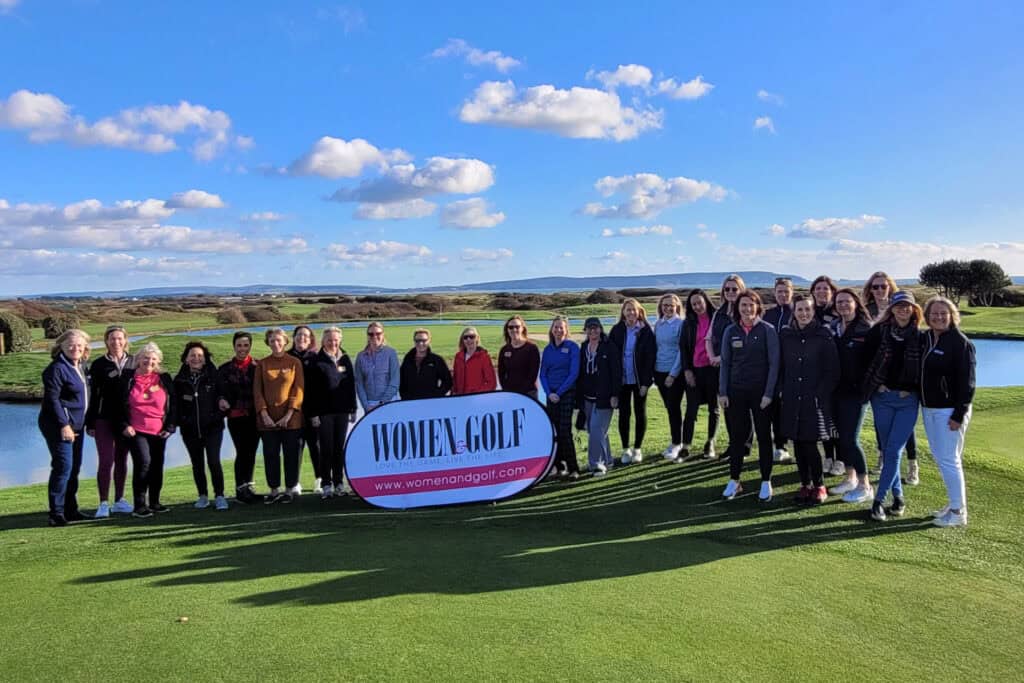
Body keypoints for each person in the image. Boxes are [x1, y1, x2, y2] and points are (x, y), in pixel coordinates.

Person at [862, 291, 923, 521]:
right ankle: (898, 498)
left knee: (894, 450)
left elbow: (924, 369)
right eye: (899, 306)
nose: (903, 310)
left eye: (907, 306)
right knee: (888, 451)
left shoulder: (920, 336)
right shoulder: (879, 332)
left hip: (908, 401)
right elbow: (865, 360)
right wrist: (876, 386)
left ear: (914, 310)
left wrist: (912, 387)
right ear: (892, 309)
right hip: (883, 399)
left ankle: (878, 501)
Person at [718, 291, 780, 502]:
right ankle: (735, 480)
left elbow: (774, 365)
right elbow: (725, 363)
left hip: (761, 394)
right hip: (736, 392)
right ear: (738, 308)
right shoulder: (730, 331)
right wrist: (723, 392)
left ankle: (766, 481)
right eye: (743, 305)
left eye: (750, 305)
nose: (746, 309)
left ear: (757, 306)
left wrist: (768, 393)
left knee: (763, 436)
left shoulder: (767, 330)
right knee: (737, 437)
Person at [920, 297, 976, 528]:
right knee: (943, 458)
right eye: (934, 314)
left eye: (944, 313)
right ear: (927, 316)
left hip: (949, 410)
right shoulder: (926, 339)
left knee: (949, 459)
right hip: (929, 408)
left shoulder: (960, 343)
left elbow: (968, 383)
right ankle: (953, 503)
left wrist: (958, 414)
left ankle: (957, 512)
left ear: (952, 315)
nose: (939, 317)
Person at [779, 295, 840, 505]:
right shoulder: (786, 335)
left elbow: (832, 370)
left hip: (813, 399)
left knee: (810, 443)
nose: (804, 313)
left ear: (813, 312)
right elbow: (781, 366)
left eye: (807, 309)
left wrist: (820, 393)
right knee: (797, 441)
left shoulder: (823, 335)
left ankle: (819, 485)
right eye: (799, 310)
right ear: (793, 312)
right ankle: (805, 484)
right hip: (791, 396)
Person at [39, 329, 91, 526]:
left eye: (79, 345)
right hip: (58, 425)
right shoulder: (57, 368)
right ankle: (56, 513)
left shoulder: (80, 366)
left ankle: (71, 509)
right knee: (63, 467)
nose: (75, 348)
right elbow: (52, 400)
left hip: (77, 424)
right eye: (70, 344)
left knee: (74, 467)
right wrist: (64, 425)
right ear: (61, 346)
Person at [828, 288, 875, 503]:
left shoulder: (866, 329)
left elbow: (876, 363)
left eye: (847, 301)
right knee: (840, 437)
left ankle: (865, 485)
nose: (843, 305)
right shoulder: (834, 327)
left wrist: (870, 387)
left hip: (856, 393)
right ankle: (850, 477)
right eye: (839, 302)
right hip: (836, 391)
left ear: (856, 303)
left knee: (851, 439)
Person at [120, 342, 176, 518]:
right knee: (143, 463)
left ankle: (155, 502)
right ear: (138, 359)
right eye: (145, 357)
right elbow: (117, 405)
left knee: (157, 465)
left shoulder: (164, 378)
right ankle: (139, 505)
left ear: (157, 361)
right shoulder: (127, 378)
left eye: (153, 359)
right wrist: (124, 425)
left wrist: (170, 427)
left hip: (159, 431)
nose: (149, 361)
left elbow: (174, 405)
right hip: (136, 430)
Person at [85, 325, 134, 518]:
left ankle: (119, 500)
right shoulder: (99, 365)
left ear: (125, 340)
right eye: (112, 339)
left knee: (122, 459)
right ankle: (103, 502)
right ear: (106, 341)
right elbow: (93, 396)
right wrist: (90, 422)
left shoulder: (134, 362)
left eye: (120, 338)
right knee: (106, 460)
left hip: (126, 422)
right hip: (103, 419)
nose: (116, 342)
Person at [174, 341, 228, 511]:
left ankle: (219, 496)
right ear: (186, 359)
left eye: (200, 356)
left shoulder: (214, 376)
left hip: (213, 428)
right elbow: (175, 406)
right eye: (192, 355)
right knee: (197, 464)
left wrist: (216, 415)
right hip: (190, 430)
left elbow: (224, 398)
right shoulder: (179, 380)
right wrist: (183, 420)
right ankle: (203, 496)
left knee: (213, 461)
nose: (196, 358)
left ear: (205, 359)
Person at [305, 327, 357, 499]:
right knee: (326, 449)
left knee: (339, 449)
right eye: (329, 340)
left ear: (340, 340)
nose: (333, 343)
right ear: (323, 341)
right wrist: (313, 415)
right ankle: (326, 484)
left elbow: (350, 386)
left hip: (342, 411)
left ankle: (339, 483)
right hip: (323, 412)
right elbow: (310, 391)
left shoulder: (345, 358)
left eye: (335, 340)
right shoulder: (316, 361)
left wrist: (353, 408)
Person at [254, 327, 305, 504]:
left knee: (291, 455)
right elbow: (257, 391)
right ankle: (274, 489)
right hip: (267, 420)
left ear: (285, 341)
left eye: (278, 340)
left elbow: (298, 390)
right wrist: (264, 414)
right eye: (272, 340)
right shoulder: (262, 364)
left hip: (291, 420)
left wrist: (289, 414)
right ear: (268, 343)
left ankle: (289, 489)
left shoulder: (294, 362)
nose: (275, 343)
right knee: (270, 454)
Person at [609, 298, 656, 464]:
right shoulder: (616, 330)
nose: (630, 313)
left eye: (633, 310)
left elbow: (650, 358)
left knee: (640, 412)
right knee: (624, 414)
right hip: (622, 380)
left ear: (639, 311)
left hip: (638, 380)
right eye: (627, 310)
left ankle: (637, 448)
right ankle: (625, 449)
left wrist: (646, 382)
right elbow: (612, 358)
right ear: (623, 312)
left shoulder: (646, 330)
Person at [218, 331, 263, 504]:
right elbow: (220, 392)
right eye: (239, 345)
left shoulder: (257, 366)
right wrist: (221, 399)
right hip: (236, 417)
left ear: (250, 346)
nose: (242, 348)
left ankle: (248, 487)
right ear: (234, 346)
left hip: (254, 416)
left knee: (251, 452)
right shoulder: (224, 369)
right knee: (242, 451)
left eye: (245, 345)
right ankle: (240, 489)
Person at [575, 317, 621, 476]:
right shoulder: (583, 347)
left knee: (596, 429)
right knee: (598, 431)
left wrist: (615, 394)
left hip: (605, 397)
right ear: (586, 330)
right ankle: (608, 460)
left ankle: (596, 464)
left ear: (600, 329)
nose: (593, 331)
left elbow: (616, 372)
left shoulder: (609, 347)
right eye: (589, 328)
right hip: (587, 397)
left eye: (595, 328)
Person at [680, 289, 720, 460]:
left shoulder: (717, 318)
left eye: (699, 302)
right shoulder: (688, 322)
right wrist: (687, 370)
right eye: (693, 304)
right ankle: (686, 445)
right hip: (694, 370)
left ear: (706, 301)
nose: (697, 306)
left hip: (713, 369)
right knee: (691, 409)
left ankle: (710, 442)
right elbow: (683, 348)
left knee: (714, 408)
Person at [539, 316, 580, 479]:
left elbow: (573, 373)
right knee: (554, 431)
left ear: (566, 330)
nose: (558, 330)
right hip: (551, 395)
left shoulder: (572, 347)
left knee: (565, 431)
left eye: (561, 328)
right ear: (551, 329)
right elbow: (543, 374)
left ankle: (573, 468)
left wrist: (559, 392)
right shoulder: (548, 349)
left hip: (566, 393)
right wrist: (549, 393)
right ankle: (558, 466)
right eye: (555, 327)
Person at [809, 275, 842, 476]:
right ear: (813, 291)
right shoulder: (810, 312)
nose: (822, 291)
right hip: (815, 375)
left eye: (825, 288)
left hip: (836, 373)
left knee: (836, 420)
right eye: (818, 288)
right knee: (823, 418)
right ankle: (828, 456)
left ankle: (841, 458)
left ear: (832, 291)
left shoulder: (838, 312)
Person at [763, 278, 795, 464]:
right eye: (779, 291)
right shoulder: (768, 315)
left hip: (793, 369)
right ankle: (780, 446)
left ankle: (799, 445)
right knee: (775, 408)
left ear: (791, 292)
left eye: (786, 291)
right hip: (771, 370)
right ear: (775, 293)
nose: (783, 295)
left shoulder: (797, 312)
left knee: (793, 408)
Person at [289, 325, 323, 494]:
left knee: (315, 446)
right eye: (299, 335)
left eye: (306, 336)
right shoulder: (287, 357)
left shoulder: (316, 358)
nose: (302, 338)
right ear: (293, 337)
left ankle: (319, 480)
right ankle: (294, 482)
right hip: (293, 411)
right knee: (296, 446)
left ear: (310, 340)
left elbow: (320, 387)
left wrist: (316, 411)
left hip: (313, 410)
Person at [652, 293, 685, 461]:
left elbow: (681, 351)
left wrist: (673, 374)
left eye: (671, 305)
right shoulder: (658, 324)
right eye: (665, 305)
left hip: (674, 374)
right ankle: (675, 441)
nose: (668, 308)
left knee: (673, 408)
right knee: (669, 408)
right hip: (659, 371)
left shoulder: (680, 324)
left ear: (677, 307)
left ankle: (677, 443)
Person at [354, 321, 400, 413]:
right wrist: (366, 406)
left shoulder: (391, 353)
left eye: (378, 333)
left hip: (389, 402)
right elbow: (359, 384)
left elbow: (394, 382)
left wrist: (382, 403)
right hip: (370, 405)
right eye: (371, 334)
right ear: (367, 336)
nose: (374, 336)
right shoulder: (361, 356)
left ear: (383, 335)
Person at [399, 328, 453, 399]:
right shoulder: (408, 359)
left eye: (424, 340)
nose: (420, 343)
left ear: (429, 341)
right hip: (410, 402)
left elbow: (447, 381)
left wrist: (437, 395)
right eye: (417, 341)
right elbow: (401, 380)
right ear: (414, 341)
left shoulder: (437, 360)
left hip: (430, 401)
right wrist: (404, 396)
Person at [498, 315, 541, 399]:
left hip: (528, 393)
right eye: (511, 327)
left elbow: (533, 375)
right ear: (507, 330)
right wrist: (506, 390)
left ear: (522, 328)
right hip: (510, 393)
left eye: (517, 327)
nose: (514, 330)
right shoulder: (504, 350)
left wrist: (521, 393)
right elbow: (501, 374)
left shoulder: (532, 348)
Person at [451, 326, 497, 395]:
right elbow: (455, 379)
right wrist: (453, 393)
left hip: (477, 398)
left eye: (472, 337)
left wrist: (477, 394)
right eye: (465, 337)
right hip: (461, 397)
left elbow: (491, 383)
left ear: (477, 338)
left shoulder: (484, 357)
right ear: (462, 340)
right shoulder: (458, 357)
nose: (468, 339)